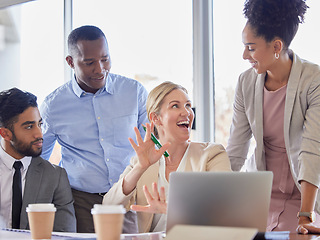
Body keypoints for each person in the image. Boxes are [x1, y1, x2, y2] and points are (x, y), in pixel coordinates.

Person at [40, 25, 148, 233]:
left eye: (105, 59)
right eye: (89, 63)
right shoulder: (53, 106)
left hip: (126, 198)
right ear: (71, 62)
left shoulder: (134, 92)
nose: (100, 69)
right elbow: (39, 160)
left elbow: (150, 145)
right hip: (79, 202)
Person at [226, 0, 320, 234]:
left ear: (276, 46)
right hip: (260, 198)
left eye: (251, 47)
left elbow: (312, 150)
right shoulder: (245, 82)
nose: (244, 55)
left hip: (304, 199)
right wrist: (214, 202)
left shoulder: (313, 80)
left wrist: (305, 216)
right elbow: (235, 150)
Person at [103, 81, 232, 232]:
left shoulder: (212, 154)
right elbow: (108, 206)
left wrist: (171, 210)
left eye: (188, 105)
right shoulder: (142, 162)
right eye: (175, 106)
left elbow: (225, 210)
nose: (186, 112)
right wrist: (139, 168)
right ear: (156, 118)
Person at [0, 88, 76, 232]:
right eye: (29, 126)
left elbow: (65, 233)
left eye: (40, 124)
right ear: (5, 134)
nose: (39, 134)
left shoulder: (56, 176)